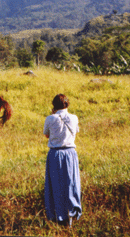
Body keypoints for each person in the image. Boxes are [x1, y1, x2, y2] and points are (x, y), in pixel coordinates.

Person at [43, 94, 82, 226]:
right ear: (67, 104)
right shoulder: (74, 118)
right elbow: (76, 132)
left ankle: (56, 217)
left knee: (55, 185)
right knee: (71, 185)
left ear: (54, 105)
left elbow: (47, 135)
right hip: (70, 154)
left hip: (55, 154)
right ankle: (71, 215)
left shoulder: (50, 118)